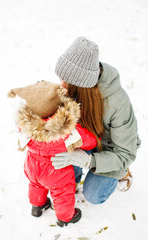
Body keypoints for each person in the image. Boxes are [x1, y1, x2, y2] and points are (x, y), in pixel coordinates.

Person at [51, 37, 141, 204]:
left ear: (80, 85)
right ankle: (74, 179)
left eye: (65, 81)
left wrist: (88, 161)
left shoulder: (118, 103)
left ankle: (123, 173)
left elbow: (125, 153)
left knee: (93, 195)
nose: (61, 84)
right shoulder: (71, 91)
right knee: (62, 166)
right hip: (85, 141)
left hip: (112, 150)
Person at [8, 80, 100, 227]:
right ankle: (65, 217)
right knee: (63, 194)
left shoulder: (25, 128)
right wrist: (97, 139)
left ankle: (37, 206)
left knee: (35, 185)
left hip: (32, 166)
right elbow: (89, 141)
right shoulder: (66, 131)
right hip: (56, 171)